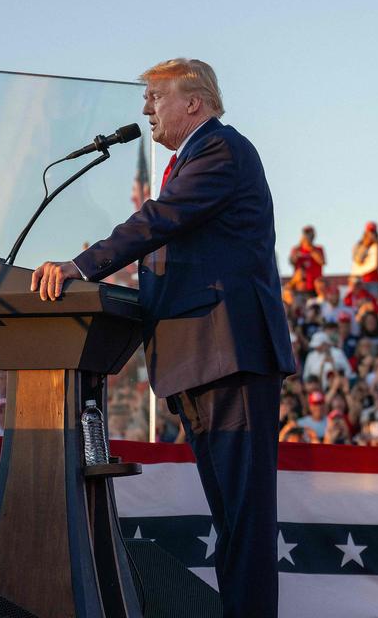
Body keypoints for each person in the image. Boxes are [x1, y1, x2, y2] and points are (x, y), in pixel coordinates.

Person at [31, 57, 295, 618]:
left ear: (194, 102)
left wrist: (83, 266)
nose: (146, 108)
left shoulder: (220, 151)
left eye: (155, 96)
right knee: (231, 522)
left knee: (244, 526)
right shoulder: (192, 160)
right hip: (201, 360)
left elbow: (158, 220)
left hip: (230, 358)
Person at [287, 225, 325, 296]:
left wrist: (310, 248)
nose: (308, 236)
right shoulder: (296, 249)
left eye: (310, 234)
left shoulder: (319, 249)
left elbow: (322, 261)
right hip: (300, 287)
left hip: (314, 288)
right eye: (306, 234)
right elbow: (291, 261)